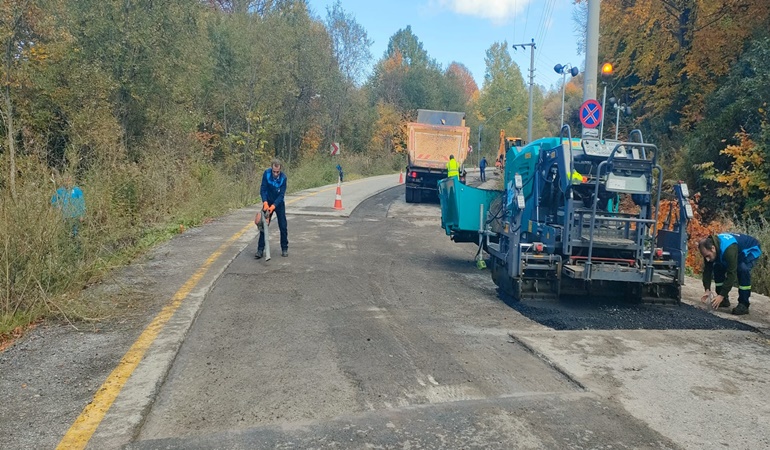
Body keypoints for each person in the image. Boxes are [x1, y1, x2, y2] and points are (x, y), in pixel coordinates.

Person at [699, 232, 762, 315]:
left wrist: (721, 295)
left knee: (742, 269)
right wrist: (707, 290)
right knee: (717, 266)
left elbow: (731, 273)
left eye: (708, 256)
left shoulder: (729, 250)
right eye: (705, 257)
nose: (707, 259)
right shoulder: (709, 249)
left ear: (713, 248)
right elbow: (707, 270)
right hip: (734, 251)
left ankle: (744, 304)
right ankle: (724, 300)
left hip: (750, 250)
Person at [256, 158, 288, 258]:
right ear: (271, 168)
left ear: (280, 170)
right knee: (263, 225)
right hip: (268, 202)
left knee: (283, 226)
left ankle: (284, 248)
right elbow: (263, 189)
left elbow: (281, 195)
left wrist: (274, 206)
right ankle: (260, 250)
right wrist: (265, 203)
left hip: (278, 204)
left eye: (277, 172)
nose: (275, 174)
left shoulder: (283, 178)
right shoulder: (266, 174)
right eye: (274, 171)